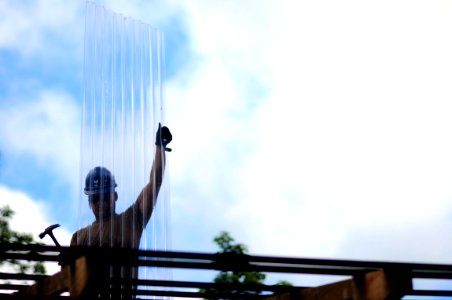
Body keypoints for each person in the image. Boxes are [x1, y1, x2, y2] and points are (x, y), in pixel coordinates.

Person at [70, 124, 172, 298]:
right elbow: (71, 281)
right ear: (89, 202)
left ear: (115, 196)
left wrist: (159, 149)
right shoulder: (79, 237)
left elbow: (154, 184)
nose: (100, 202)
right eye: (95, 198)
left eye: (104, 196)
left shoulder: (133, 219)